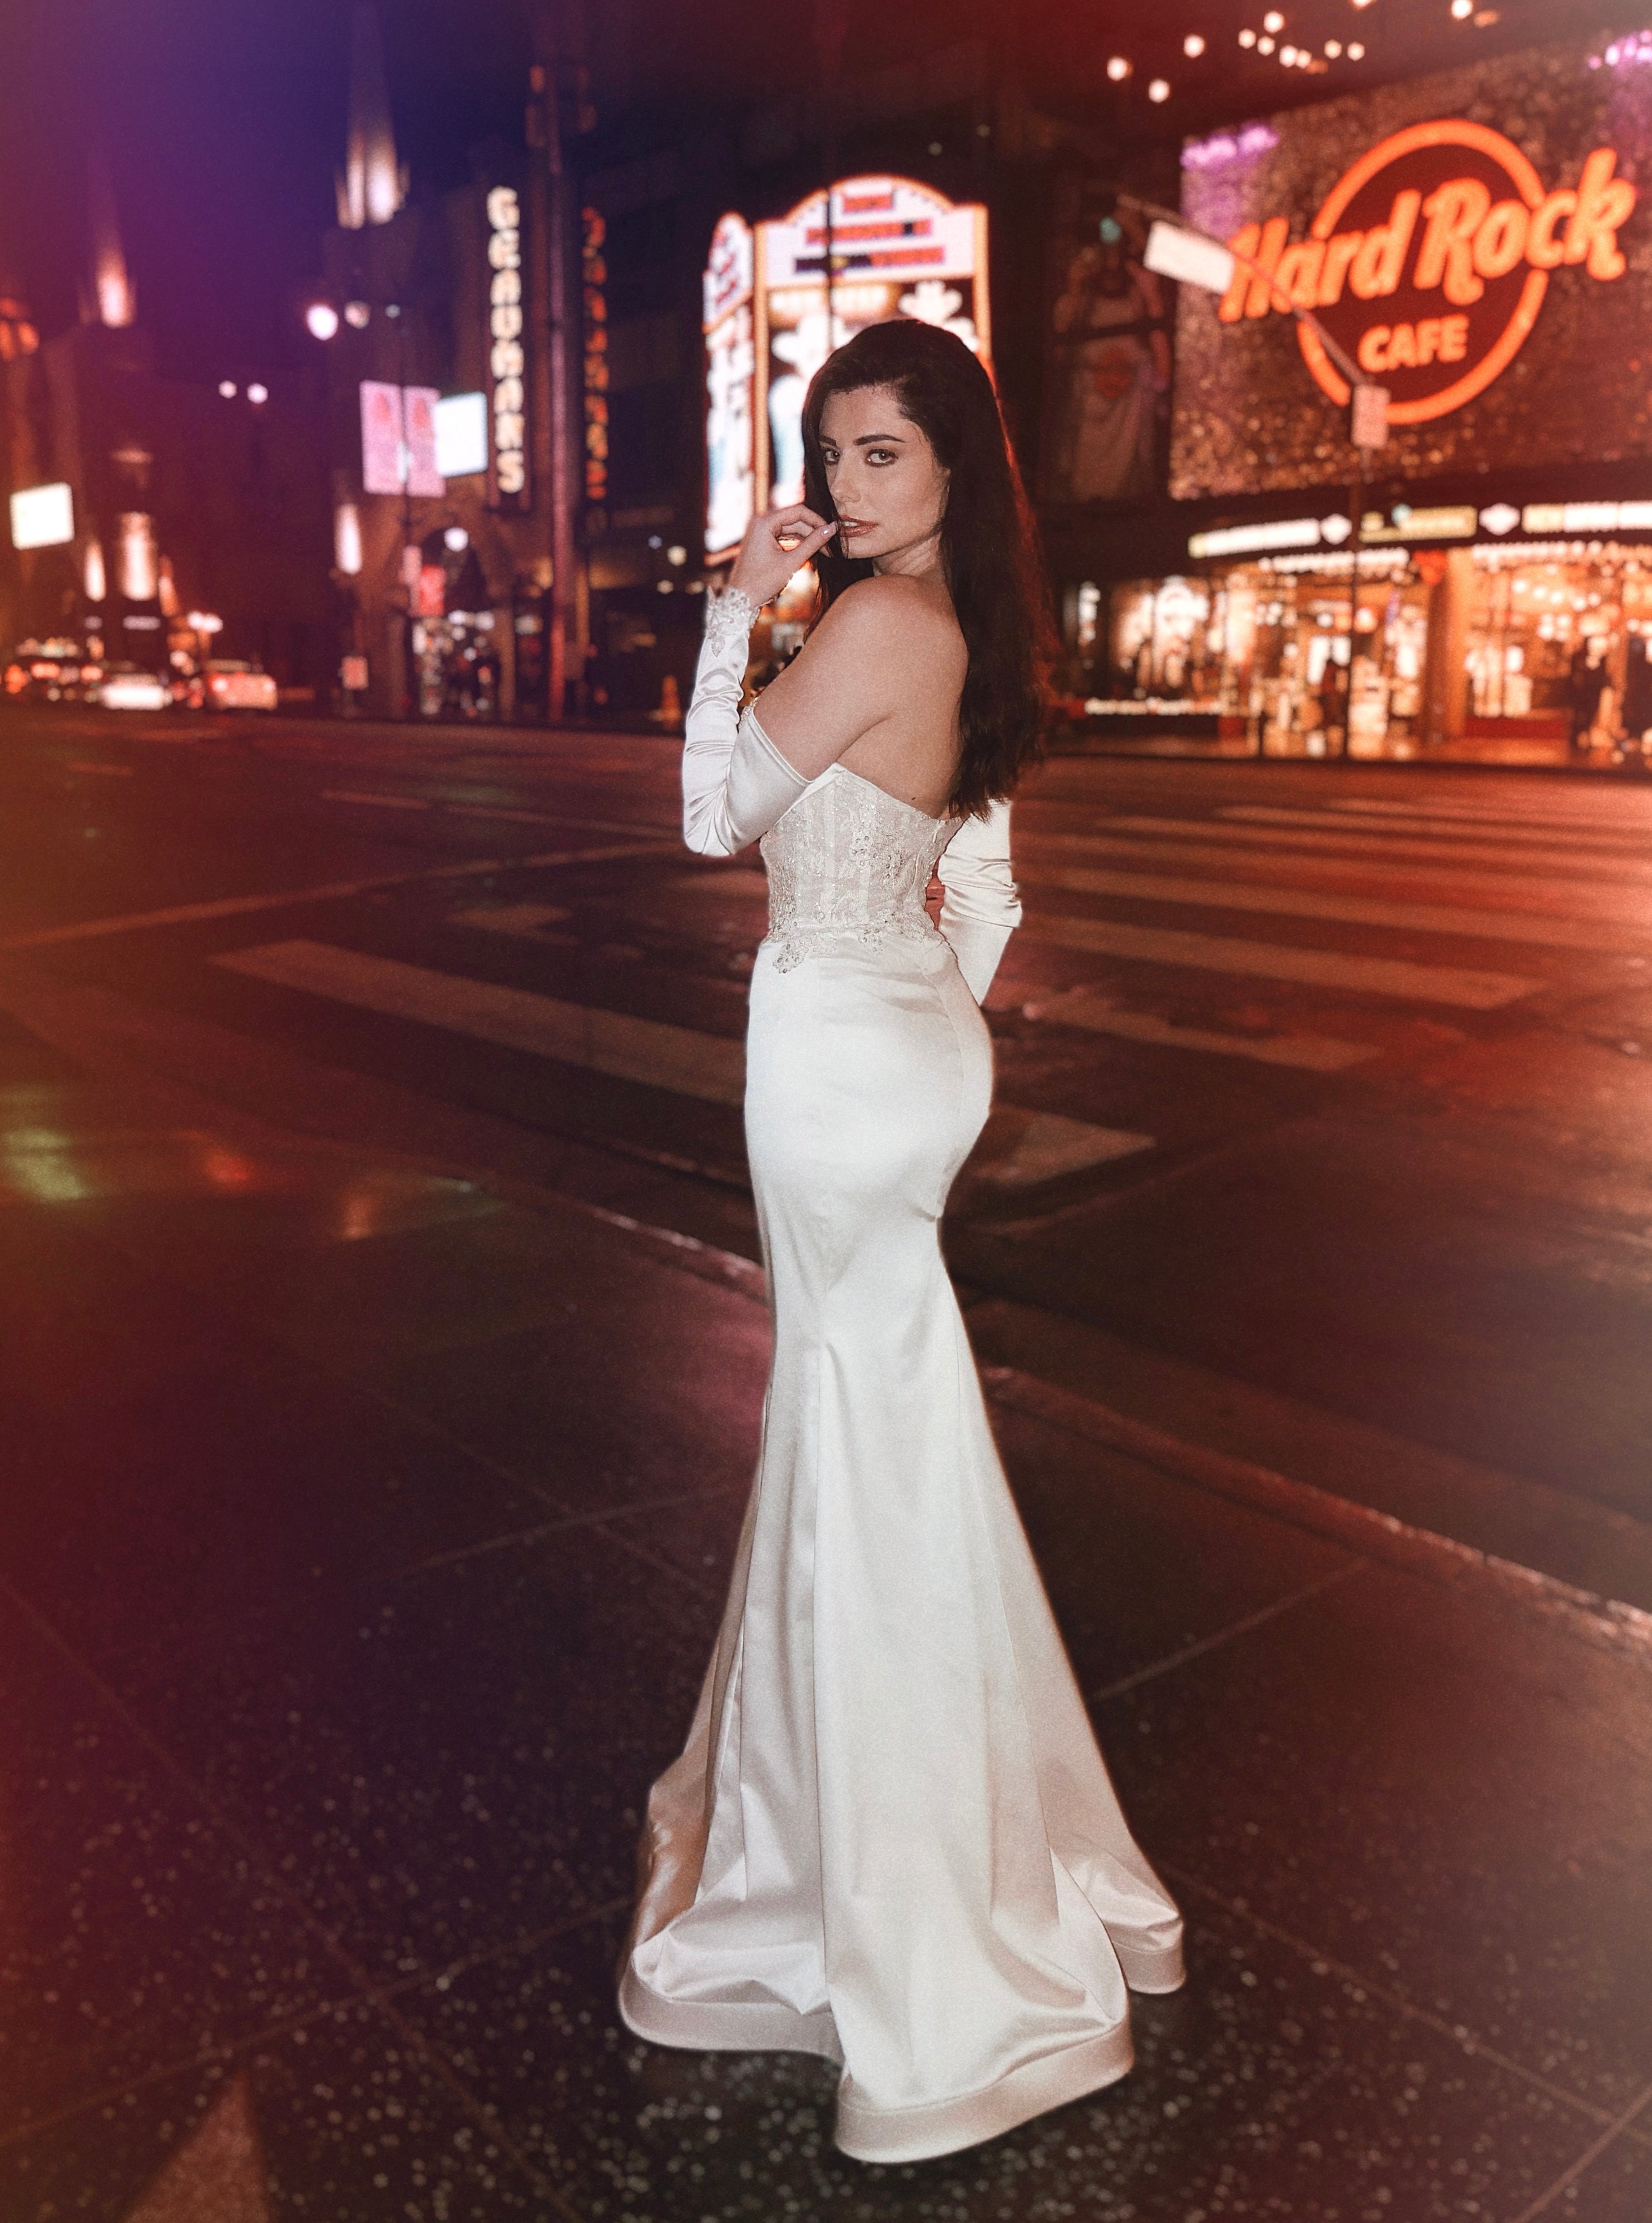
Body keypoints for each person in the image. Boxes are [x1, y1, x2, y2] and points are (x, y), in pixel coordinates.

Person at [616, 319, 1184, 2163]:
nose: (848, 487)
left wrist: (732, 614)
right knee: (883, 1428)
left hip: (838, 1067)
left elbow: (712, 817)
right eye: (831, 452)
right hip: (913, 1053)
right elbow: (990, 886)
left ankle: (891, 1889)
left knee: (856, 1444)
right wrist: (926, 1018)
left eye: (881, 454)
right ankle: (906, 1806)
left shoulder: (870, 628)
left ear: (951, 463)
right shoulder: (979, 635)